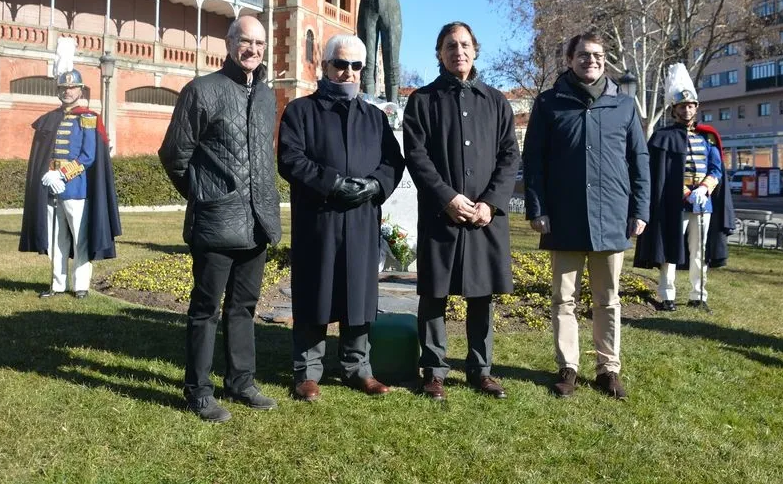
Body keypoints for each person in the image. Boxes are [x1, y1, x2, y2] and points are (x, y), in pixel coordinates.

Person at [159, 15, 282, 423]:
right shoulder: (202, 91)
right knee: (206, 309)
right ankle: (198, 390)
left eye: (259, 44)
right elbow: (174, 155)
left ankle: (241, 381)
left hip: (257, 222)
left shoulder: (266, 96)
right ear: (229, 43)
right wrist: (204, 193)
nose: (253, 50)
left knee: (244, 307)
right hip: (216, 223)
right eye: (245, 41)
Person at [277, 34, 405, 402]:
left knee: (358, 293)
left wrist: (374, 185)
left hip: (362, 218)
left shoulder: (374, 117)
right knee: (314, 291)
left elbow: (393, 162)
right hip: (319, 218)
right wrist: (332, 183)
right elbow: (291, 159)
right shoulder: (301, 111)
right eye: (341, 64)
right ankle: (307, 372)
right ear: (326, 66)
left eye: (356, 65)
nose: (348, 71)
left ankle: (357, 367)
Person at [523, 30, 650, 400]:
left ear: (604, 60)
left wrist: (640, 209)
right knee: (564, 298)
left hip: (612, 216)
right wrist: (537, 208)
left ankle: (609, 369)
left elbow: (639, 160)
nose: (590, 60)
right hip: (563, 217)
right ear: (570, 60)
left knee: (607, 299)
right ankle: (568, 367)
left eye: (597, 55)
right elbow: (533, 161)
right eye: (583, 55)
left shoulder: (623, 105)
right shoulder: (549, 103)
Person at [402, 21, 520, 401]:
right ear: (439, 53)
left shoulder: (496, 101)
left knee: (482, 294)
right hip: (442, 214)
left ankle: (480, 370)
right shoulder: (422, 101)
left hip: (485, 217)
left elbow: (509, 156)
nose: (459, 52)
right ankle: (434, 370)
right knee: (434, 295)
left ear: (475, 50)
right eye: (451, 46)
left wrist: (491, 203)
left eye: (465, 45)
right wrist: (447, 198)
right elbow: (416, 156)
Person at [19, 53, 121, 300]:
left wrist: (62, 175)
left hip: (76, 188)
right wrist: (47, 174)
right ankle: (57, 285)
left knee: (79, 238)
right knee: (56, 239)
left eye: (72, 87)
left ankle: (81, 285)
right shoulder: (50, 119)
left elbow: (88, 156)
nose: (67, 91)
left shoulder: (87, 118)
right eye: (63, 88)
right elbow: (43, 154)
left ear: (80, 90)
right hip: (50, 187)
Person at [634, 64, 734, 312]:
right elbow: (661, 174)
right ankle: (667, 295)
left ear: (696, 108)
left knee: (699, 251)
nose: (687, 110)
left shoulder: (707, 137)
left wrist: (704, 188)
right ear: (674, 110)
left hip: (703, 204)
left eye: (690, 106)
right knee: (670, 248)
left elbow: (716, 169)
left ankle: (698, 295)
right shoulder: (662, 136)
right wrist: (686, 193)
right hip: (675, 204)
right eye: (682, 106)